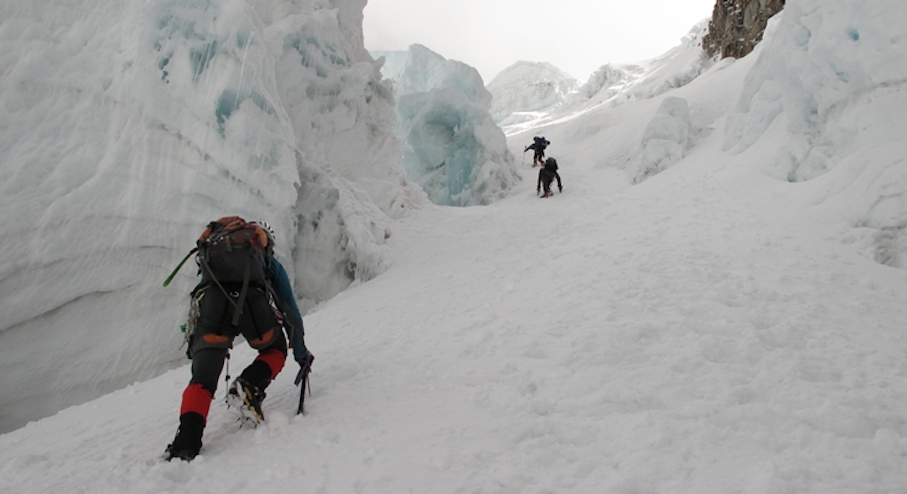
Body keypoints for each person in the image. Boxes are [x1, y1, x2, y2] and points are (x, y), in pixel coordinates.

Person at [165, 220, 313, 462]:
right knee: (274, 349)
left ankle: (186, 442)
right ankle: (249, 384)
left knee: (202, 379)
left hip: (213, 305)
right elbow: (288, 307)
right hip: (252, 306)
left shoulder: (214, 257)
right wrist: (300, 350)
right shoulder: (266, 262)